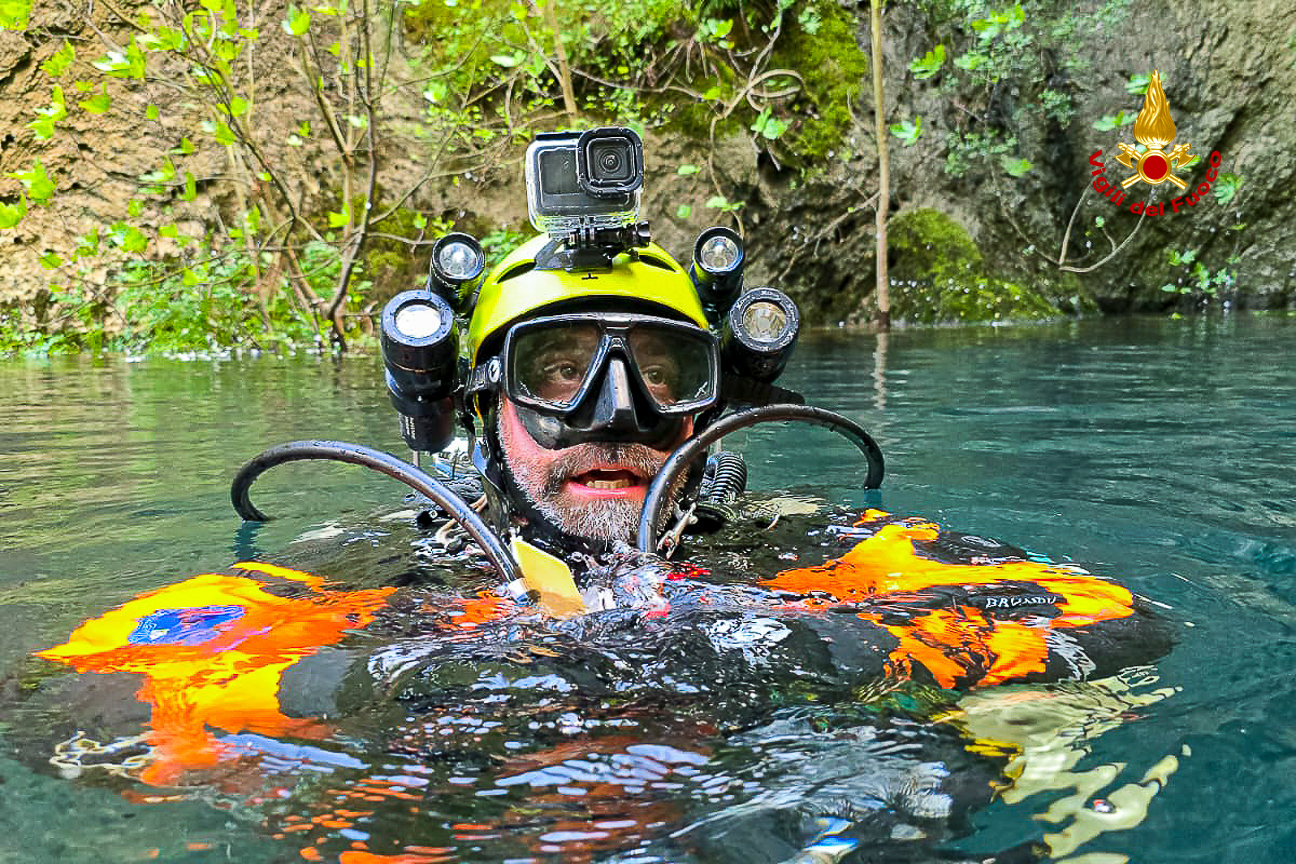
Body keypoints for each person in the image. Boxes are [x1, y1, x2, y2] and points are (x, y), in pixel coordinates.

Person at [460, 231, 723, 550]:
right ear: (491, 404)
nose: (616, 416)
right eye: (565, 371)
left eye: (654, 375)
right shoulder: (418, 580)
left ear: (695, 416)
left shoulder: (772, 568)